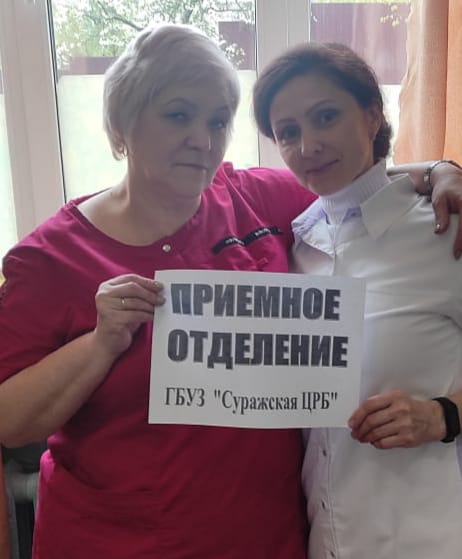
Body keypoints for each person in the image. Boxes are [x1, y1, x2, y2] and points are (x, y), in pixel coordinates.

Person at [0, 25, 460, 559]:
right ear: (122, 123)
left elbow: (350, 182)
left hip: (268, 537)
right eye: (178, 115)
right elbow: (10, 422)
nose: (203, 139)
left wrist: (441, 170)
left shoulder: (255, 199)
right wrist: (100, 344)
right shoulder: (50, 258)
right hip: (115, 542)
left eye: (218, 121)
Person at [253, 42, 462, 558]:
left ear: (372, 115)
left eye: (326, 117)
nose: (308, 146)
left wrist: (444, 415)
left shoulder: (444, 232)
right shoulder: (294, 248)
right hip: (325, 539)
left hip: (429, 538)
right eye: (288, 133)